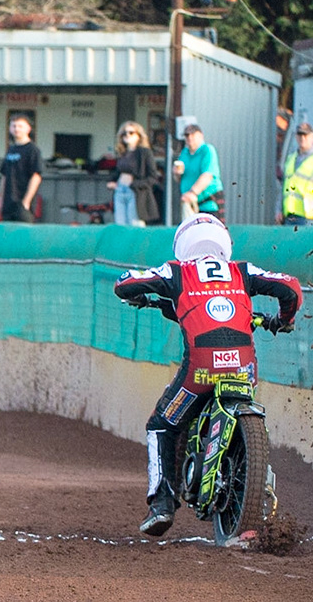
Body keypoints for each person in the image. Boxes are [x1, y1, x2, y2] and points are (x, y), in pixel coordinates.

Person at [113, 214, 301, 536]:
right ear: (224, 244)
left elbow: (125, 283)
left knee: (161, 424)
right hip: (244, 369)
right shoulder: (242, 271)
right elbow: (291, 289)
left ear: (183, 245)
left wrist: (140, 296)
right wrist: (283, 320)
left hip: (200, 370)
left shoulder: (177, 272)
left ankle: (162, 504)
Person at [108, 121, 157, 227]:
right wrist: (113, 182)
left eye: (131, 133)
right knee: (120, 225)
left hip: (135, 192)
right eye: (124, 133)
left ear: (139, 135)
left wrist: (135, 184)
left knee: (135, 224)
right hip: (120, 190)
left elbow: (153, 177)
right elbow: (118, 171)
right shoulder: (122, 153)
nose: (127, 135)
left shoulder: (145, 153)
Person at [172, 121, 222, 219]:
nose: (190, 137)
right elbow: (179, 179)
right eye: (187, 135)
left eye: (193, 134)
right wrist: (176, 173)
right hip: (190, 203)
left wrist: (192, 193)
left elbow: (207, 175)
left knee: (212, 231)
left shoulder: (207, 150)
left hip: (209, 201)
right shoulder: (184, 153)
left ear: (201, 135)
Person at [0, 115, 45, 222]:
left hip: (23, 205)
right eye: (13, 126)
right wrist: (1, 201)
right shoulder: (10, 149)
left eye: (20, 126)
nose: (16, 129)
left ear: (28, 129)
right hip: (8, 204)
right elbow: (4, 177)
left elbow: (36, 177)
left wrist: (26, 201)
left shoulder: (32, 150)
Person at [283, 122, 313, 226]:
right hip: (290, 215)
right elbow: (284, 186)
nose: (302, 138)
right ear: (296, 136)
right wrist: (279, 210)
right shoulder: (291, 159)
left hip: (308, 217)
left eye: (306, 135)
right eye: (300, 135)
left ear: (311, 137)